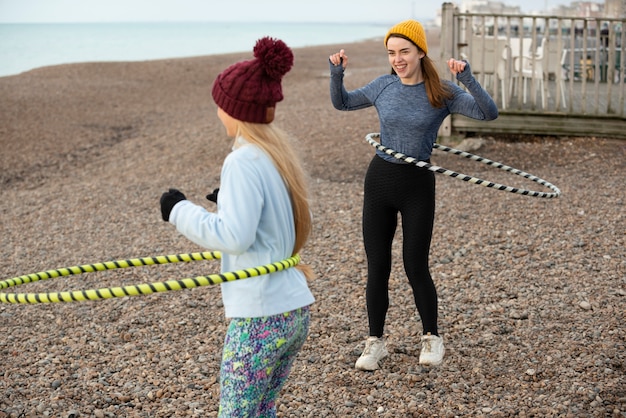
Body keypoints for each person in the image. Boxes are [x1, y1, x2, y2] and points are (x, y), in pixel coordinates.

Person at [328, 19, 498, 371]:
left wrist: (466, 77)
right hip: (379, 182)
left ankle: (432, 336)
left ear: (421, 51)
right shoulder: (383, 86)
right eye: (392, 53)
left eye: (404, 51)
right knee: (378, 267)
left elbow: (487, 113)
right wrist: (336, 73)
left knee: (415, 265)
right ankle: (375, 341)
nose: (398, 59)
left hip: (417, 185)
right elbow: (342, 104)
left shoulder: (443, 92)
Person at [160, 36, 315, 416]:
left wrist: (179, 210)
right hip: (292, 311)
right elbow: (272, 215)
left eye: (220, 105)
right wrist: (225, 200)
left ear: (235, 110)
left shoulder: (243, 161)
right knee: (262, 410)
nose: (217, 113)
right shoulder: (275, 154)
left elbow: (234, 236)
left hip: (260, 316)